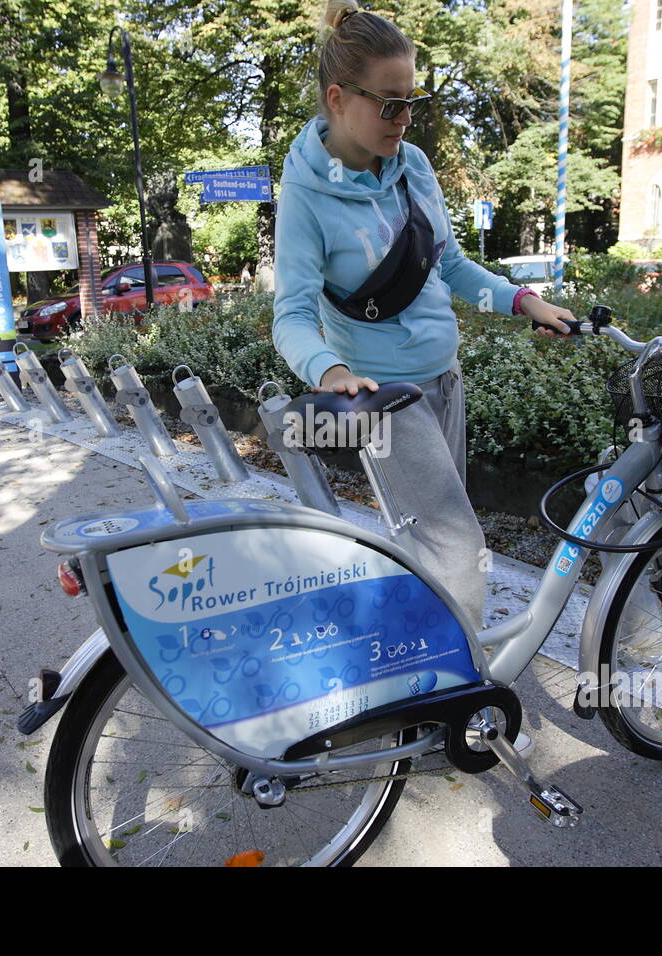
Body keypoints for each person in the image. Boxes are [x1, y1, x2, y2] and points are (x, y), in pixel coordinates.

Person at [272, 0, 575, 636]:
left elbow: (452, 265)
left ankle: (405, 670)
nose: (405, 119)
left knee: (433, 546)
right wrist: (329, 370)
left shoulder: (412, 166)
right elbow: (292, 315)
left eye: (413, 102)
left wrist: (525, 302)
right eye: (389, 103)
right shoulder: (305, 195)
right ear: (337, 97)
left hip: (445, 379)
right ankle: (455, 701)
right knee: (459, 554)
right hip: (384, 397)